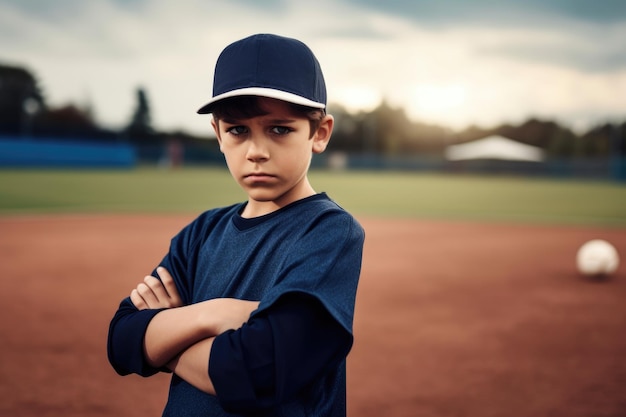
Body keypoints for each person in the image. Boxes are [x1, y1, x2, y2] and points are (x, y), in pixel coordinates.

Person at [107, 33, 365, 417]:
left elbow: (254, 373)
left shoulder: (329, 231)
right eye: (237, 130)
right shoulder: (202, 232)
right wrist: (213, 314)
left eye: (279, 129)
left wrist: (167, 336)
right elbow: (122, 339)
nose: (256, 151)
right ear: (218, 134)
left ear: (320, 133)